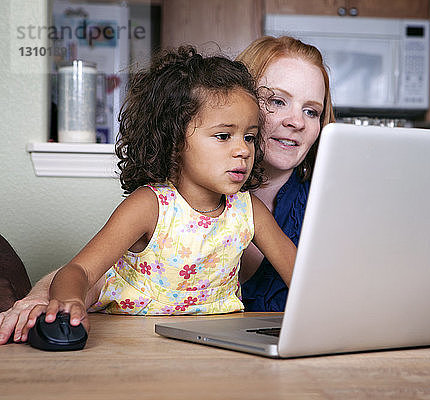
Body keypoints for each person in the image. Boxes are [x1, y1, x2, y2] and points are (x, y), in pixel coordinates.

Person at [0, 36, 334, 343]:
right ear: (174, 141)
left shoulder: (248, 211)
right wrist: (68, 300)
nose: (244, 149)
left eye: (248, 136)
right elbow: (81, 270)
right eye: (223, 136)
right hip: (135, 343)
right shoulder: (150, 206)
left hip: (216, 348)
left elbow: (305, 280)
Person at [236, 36, 335, 311]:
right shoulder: (177, 202)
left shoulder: (330, 210)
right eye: (278, 101)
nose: (297, 122)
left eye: (311, 111)